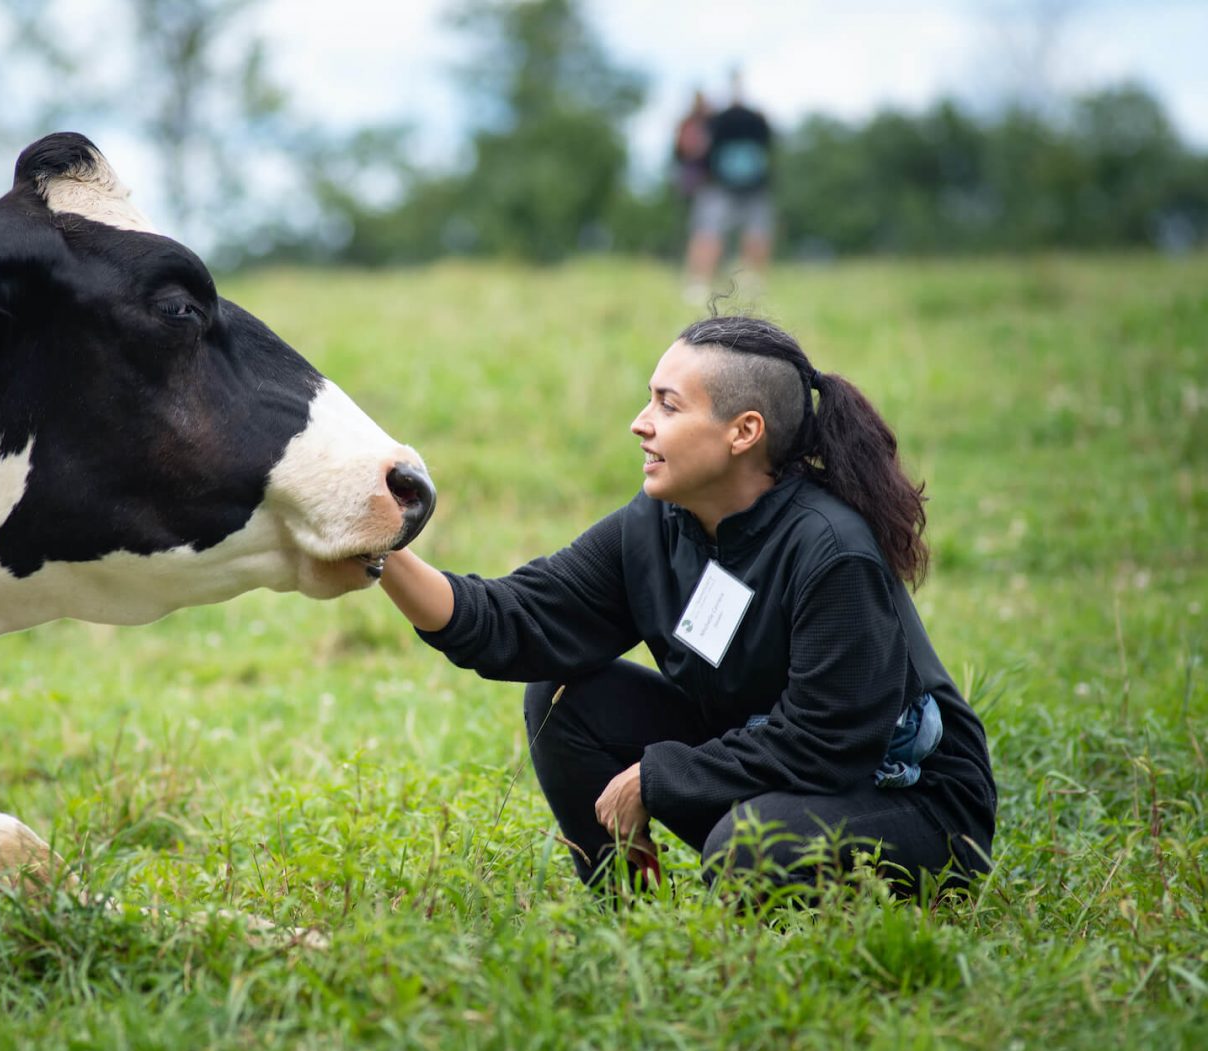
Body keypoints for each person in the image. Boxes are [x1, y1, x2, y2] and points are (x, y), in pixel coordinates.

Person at [379, 316, 996, 896]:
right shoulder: (656, 525)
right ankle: (630, 920)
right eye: (650, 399)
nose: (640, 423)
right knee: (562, 698)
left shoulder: (830, 551)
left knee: (748, 848)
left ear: (744, 432)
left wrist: (659, 777)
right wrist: (379, 545)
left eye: (668, 405)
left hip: (911, 805)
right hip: (772, 771)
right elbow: (518, 618)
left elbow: (827, 744)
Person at [684, 70, 775, 304]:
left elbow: (696, 148)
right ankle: (703, 282)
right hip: (729, 185)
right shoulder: (753, 118)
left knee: (749, 233)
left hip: (739, 186)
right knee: (713, 233)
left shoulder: (721, 119)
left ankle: (736, 282)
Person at [671, 89, 711, 200]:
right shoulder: (687, 123)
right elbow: (679, 147)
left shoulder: (709, 122)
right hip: (689, 171)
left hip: (705, 175)